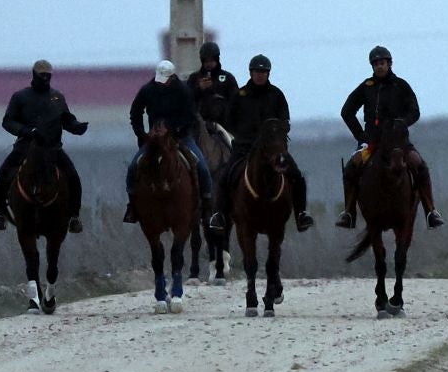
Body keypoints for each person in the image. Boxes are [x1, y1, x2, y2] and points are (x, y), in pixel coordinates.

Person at [338, 45, 442, 229]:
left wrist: (403, 122)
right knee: (351, 167)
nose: (380, 67)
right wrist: (360, 135)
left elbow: (415, 111)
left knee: (419, 165)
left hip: (398, 143)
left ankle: (431, 211)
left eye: (383, 63)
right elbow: (346, 112)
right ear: (372, 66)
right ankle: (349, 213)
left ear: (390, 64)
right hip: (372, 143)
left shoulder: (401, 85)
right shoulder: (366, 87)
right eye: (376, 64)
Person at [208, 54, 312, 233]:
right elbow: (229, 120)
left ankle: (301, 214)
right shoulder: (240, 95)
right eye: (257, 71)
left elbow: (285, 120)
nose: (260, 75)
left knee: (297, 175)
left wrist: (278, 131)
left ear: (268, 73)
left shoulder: (277, 95)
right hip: (244, 148)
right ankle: (220, 215)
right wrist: (242, 135)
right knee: (225, 176)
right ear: (251, 72)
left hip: (273, 149)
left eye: (264, 72)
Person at [0, 59, 90, 232]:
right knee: (3, 174)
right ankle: (0, 213)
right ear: (34, 75)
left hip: (53, 148)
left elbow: (66, 118)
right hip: (26, 147)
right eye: (42, 75)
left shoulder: (57, 97)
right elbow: (8, 122)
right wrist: (26, 131)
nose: (45, 78)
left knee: (73, 177)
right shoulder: (20, 97)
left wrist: (76, 127)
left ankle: (74, 217)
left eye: (48, 75)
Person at [124, 60, 212, 223]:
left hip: (181, 138)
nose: (161, 83)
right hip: (154, 141)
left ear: (172, 77)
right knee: (133, 166)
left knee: (202, 167)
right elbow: (135, 113)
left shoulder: (183, 91)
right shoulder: (147, 90)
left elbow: (190, 116)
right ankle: (132, 206)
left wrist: (173, 129)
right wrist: (143, 134)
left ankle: (207, 207)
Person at [186, 41, 238, 130]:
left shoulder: (227, 78)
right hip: (198, 124)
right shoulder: (194, 78)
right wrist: (199, 89)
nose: (209, 63)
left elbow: (236, 100)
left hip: (223, 125)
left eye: (211, 60)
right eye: (206, 60)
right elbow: (186, 99)